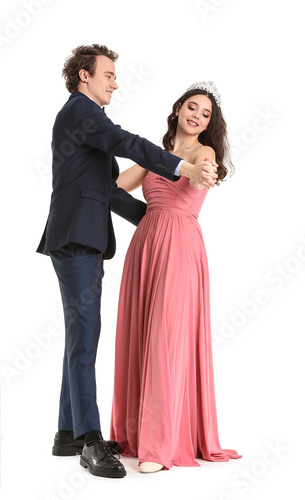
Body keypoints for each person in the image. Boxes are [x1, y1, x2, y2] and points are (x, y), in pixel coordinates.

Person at [36, 45, 218, 480]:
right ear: (84, 76)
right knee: (85, 336)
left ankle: (68, 432)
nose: (116, 83)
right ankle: (91, 441)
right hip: (77, 236)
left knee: (81, 334)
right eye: (109, 75)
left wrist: (155, 219)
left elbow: (109, 189)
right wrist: (179, 167)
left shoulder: (83, 118)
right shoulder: (83, 112)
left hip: (88, 236)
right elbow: (126, 143)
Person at [110, 81, 241, 473]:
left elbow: (203, 176)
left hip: (179, 246)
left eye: (205, 114)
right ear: (178, 108)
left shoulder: (205, 152)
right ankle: (134, 434)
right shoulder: (157, 153)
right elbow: (116, 186)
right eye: (192, 107)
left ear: (207, 125)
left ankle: (159, 445)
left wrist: (206, 175)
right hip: (146, 244)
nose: (197, 115)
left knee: (166, 337)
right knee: (139, 333)